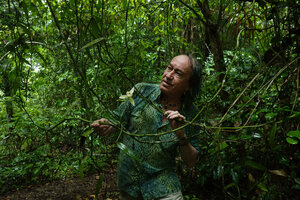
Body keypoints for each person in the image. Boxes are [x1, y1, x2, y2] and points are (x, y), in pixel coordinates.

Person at [91, 55, 202, 200]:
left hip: (163, 188)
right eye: (169, 68)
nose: (168, 75)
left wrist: (181, 135)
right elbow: (116, 120)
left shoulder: (191, 114)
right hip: (129, 185)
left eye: (178, 73)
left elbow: (191, 161)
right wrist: (105, 125)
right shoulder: (141, 91)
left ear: (188, 85)